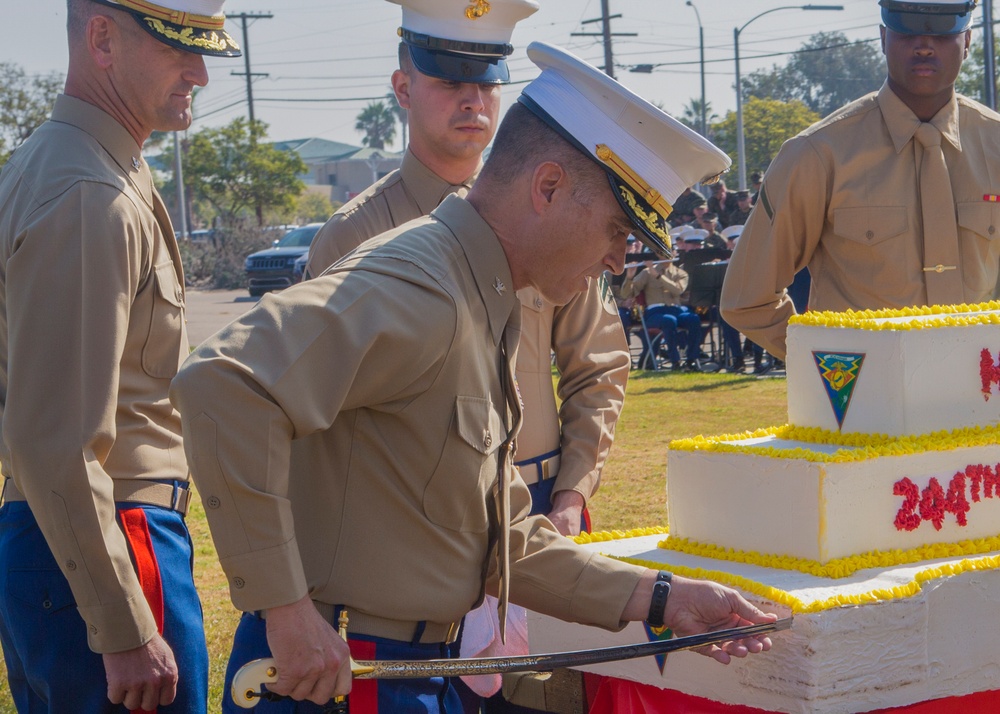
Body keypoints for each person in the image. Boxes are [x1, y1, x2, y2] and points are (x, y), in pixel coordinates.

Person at [170, 42, 777, 714]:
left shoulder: (478, 287)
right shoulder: (424, 286)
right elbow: (223, 383)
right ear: (546, 188)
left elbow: (502, 540)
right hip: (345, 672)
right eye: (615, 227)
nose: (615, 257)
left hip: (408, 667)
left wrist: (666, 598)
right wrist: (285, 613)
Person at [0, 1, 240, 712]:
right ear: (101, 38)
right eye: (178, 49)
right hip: (109, 546)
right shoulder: (87, 193)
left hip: (75, 543)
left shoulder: (76, 165)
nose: (199, 71)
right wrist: (123, 625)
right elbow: (58, 442)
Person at [721, 0, 1000, 359]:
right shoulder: (819, 153)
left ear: (968, 41)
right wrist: (829, 367)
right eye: (907, 31)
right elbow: (747, 298)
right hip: (866, 407)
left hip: (983, 396)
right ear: (883, 38)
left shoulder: (994, 146)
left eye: (942, 33)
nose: (925, 45)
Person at [621, 256, 703, 371]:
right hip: (655, 312)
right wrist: (629, 277)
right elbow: (626, 294)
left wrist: (658, 276)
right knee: (669, 320)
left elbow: (678, 290)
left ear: (674, 254)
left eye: (669, 252)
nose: (665, 256)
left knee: (693, 319)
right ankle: (675, 361)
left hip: (676, 309)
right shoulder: (646, 272)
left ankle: (692, 360)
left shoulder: (681, 273)